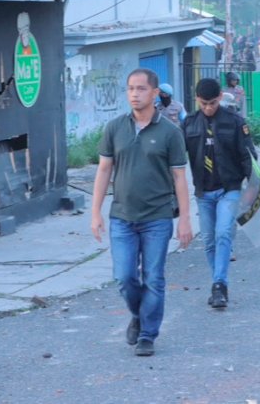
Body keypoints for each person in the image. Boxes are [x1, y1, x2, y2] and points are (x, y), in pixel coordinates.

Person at [91, 68, 193, 357]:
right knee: (124, 276)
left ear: (155, 93)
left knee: (154, 277)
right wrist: (95, 212)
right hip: (122, 216)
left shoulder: (170, 133)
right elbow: (103, 170)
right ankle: (138, 314)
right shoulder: (114, 128)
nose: (134, 94)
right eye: (130, 89)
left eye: (141, 89)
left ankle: (148, 334)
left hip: (157, 217)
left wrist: (185, 218)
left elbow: (179, 178)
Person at [182, 78, 256, 308]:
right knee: (208, 240)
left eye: (212, 103)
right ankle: (218, 283)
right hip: (203, 192)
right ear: (197, 100)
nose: (208, 108)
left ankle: (219, 285)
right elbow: (175, 158)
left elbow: (249, 156)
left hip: (229, 189)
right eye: (204, 103)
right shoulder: (189, 124)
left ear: (220, 98)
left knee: (223, 232)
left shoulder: (235, 122)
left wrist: (252, 189)